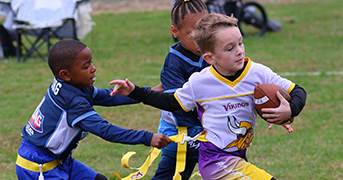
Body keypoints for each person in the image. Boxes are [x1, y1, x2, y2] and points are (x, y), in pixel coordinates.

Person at [109, 13, 306, 180]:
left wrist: (290, 108)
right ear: (210, 58)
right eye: (229, 48)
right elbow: (170, 102)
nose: (239, 51)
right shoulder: (200, 82)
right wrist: (135, 91)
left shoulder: (258, 73)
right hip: (215, 159)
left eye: (240, 43)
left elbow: (298, 91)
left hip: (238, 156)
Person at [15, 40, 171, 180]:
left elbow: (109, 97)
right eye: (86, 66)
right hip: (38, 166)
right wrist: (147, 137)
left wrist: (148, 93)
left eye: (91, 63)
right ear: (66, 74)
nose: (94, 69)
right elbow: (105, 131)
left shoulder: (72, 86)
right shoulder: (73, 101)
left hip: (57, 159)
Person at [152, 0, 209, 179]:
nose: (200, 39)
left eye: (205, 32)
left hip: (203, 127)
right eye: (192, 34)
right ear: (175, 32)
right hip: (179, 132)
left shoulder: (213, 53)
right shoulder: (174, 62)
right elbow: (177, 105)